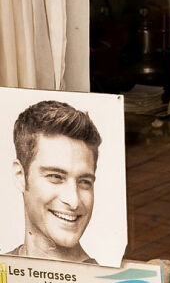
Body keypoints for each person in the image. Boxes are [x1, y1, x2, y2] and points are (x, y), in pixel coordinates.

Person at [9, 100, 101, 263]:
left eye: (84, 182)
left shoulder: (108, 279)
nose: (73, 201)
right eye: (56, 177)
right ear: (20, 175)